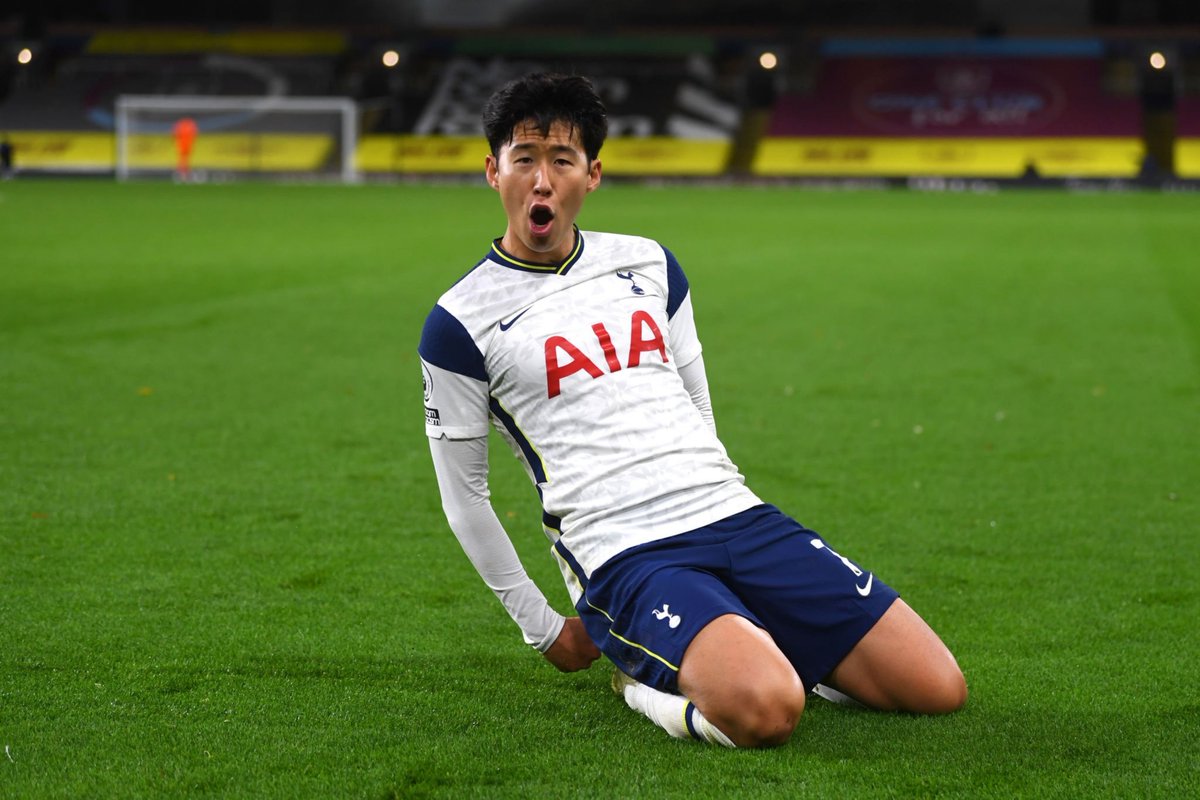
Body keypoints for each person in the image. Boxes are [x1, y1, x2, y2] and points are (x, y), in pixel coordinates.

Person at [419, 73, 966, 748]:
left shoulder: (649, 264)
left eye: (561, 160)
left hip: (733, 514)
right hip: (627, 551)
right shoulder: (457, 322)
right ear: (491, 170)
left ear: (591, 175)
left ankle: (753, 640)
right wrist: (543, 627)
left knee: (938, 690)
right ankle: (645, 686)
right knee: (768, 712)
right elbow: (465, 496)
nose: (540, 180)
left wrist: (717, 491)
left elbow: (694, 396)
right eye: (523, 158)